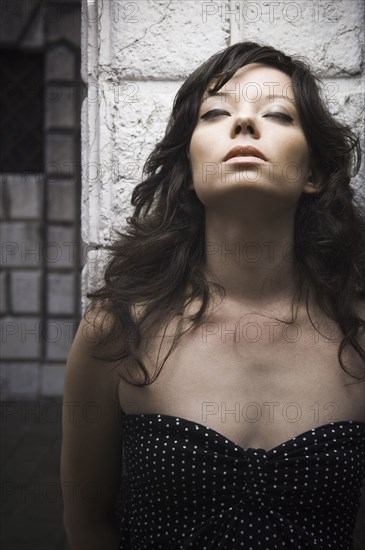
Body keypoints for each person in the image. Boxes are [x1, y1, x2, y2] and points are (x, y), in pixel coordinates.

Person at [61, 41, 365, 549]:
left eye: (277, 114)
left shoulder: (357, 332)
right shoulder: (116, 327)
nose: (244, 124)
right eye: (217, 112)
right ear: (189, 166)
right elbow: (87, 522)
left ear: (313, 173)